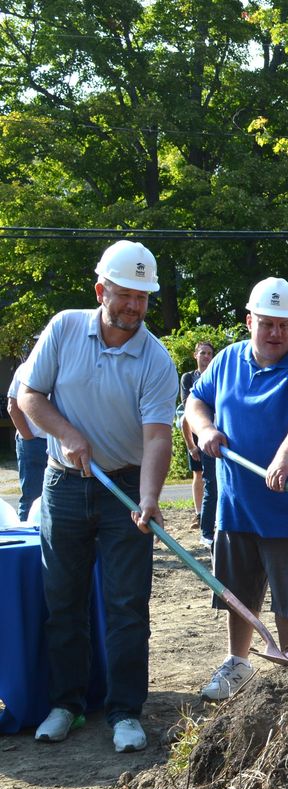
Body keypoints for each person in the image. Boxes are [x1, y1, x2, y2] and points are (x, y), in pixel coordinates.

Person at [18, 241, 176, 752]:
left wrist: (149, 498)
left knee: (127, 604)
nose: (134, 306)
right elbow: (30, 395)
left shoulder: (155, 358)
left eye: (143, 297)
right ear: (100, 290)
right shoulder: (64, 328)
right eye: (125, 295)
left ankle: (125, 711)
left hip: (124, 488)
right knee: (62, 600)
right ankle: (66, 704)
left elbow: (157, 437)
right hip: (64, 484)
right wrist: (67, 433)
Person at [186, 277, 288, 701]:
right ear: (249, 320)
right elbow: (197, 400)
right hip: (236, 506)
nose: (276, 334)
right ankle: (239, 662)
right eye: (267, 324)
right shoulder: (228, 359)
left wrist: (286, 455)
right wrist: (206, 427)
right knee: (239, 591)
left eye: (284, 325)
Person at [179, 340, 217, 542]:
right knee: (198, 473)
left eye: (209, 353)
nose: (206, 356)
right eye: (202, 353)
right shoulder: (188, 378)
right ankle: (199, 513)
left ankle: (209, 518)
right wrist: (191, 445)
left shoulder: (216, 376)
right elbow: (188, 409)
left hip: (212, 428)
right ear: (196, 355)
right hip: (193, 429)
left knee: (211, 478)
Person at [7, 346, 48, 521]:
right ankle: (26, 539)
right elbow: (12, 407)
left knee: (58, 499)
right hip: (32, 443)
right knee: (31, 498)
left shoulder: (62, 368)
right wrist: (29, 437)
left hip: (59, 443)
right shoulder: (25, 370)